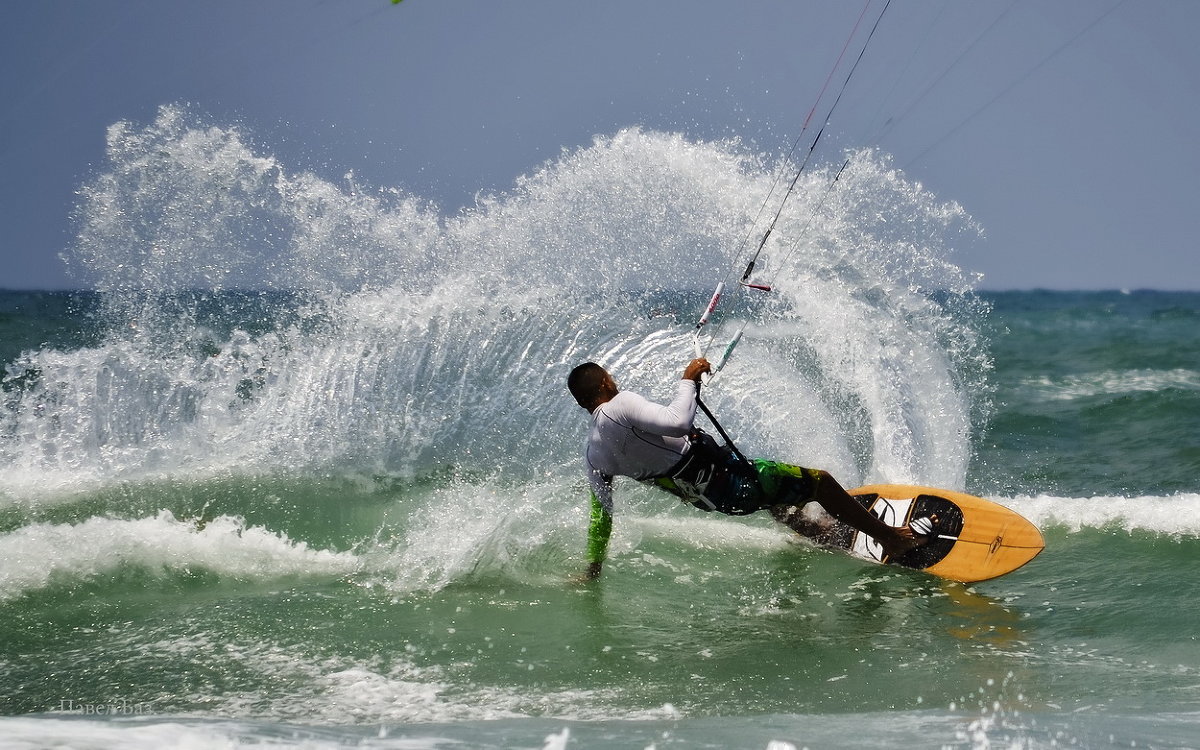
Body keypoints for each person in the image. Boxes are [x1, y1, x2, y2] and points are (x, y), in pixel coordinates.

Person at [567, 357, 920, 580]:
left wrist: (593, 569)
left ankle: (821, 533)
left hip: (719, 502)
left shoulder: (594, 455)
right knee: (820, 482)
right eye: (611, 378)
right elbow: (676, 422)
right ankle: (891, 539)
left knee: (775, 499)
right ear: (604, 384)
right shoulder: (619, 404)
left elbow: (602, 517)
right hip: (735, 481)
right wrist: (688, 379)